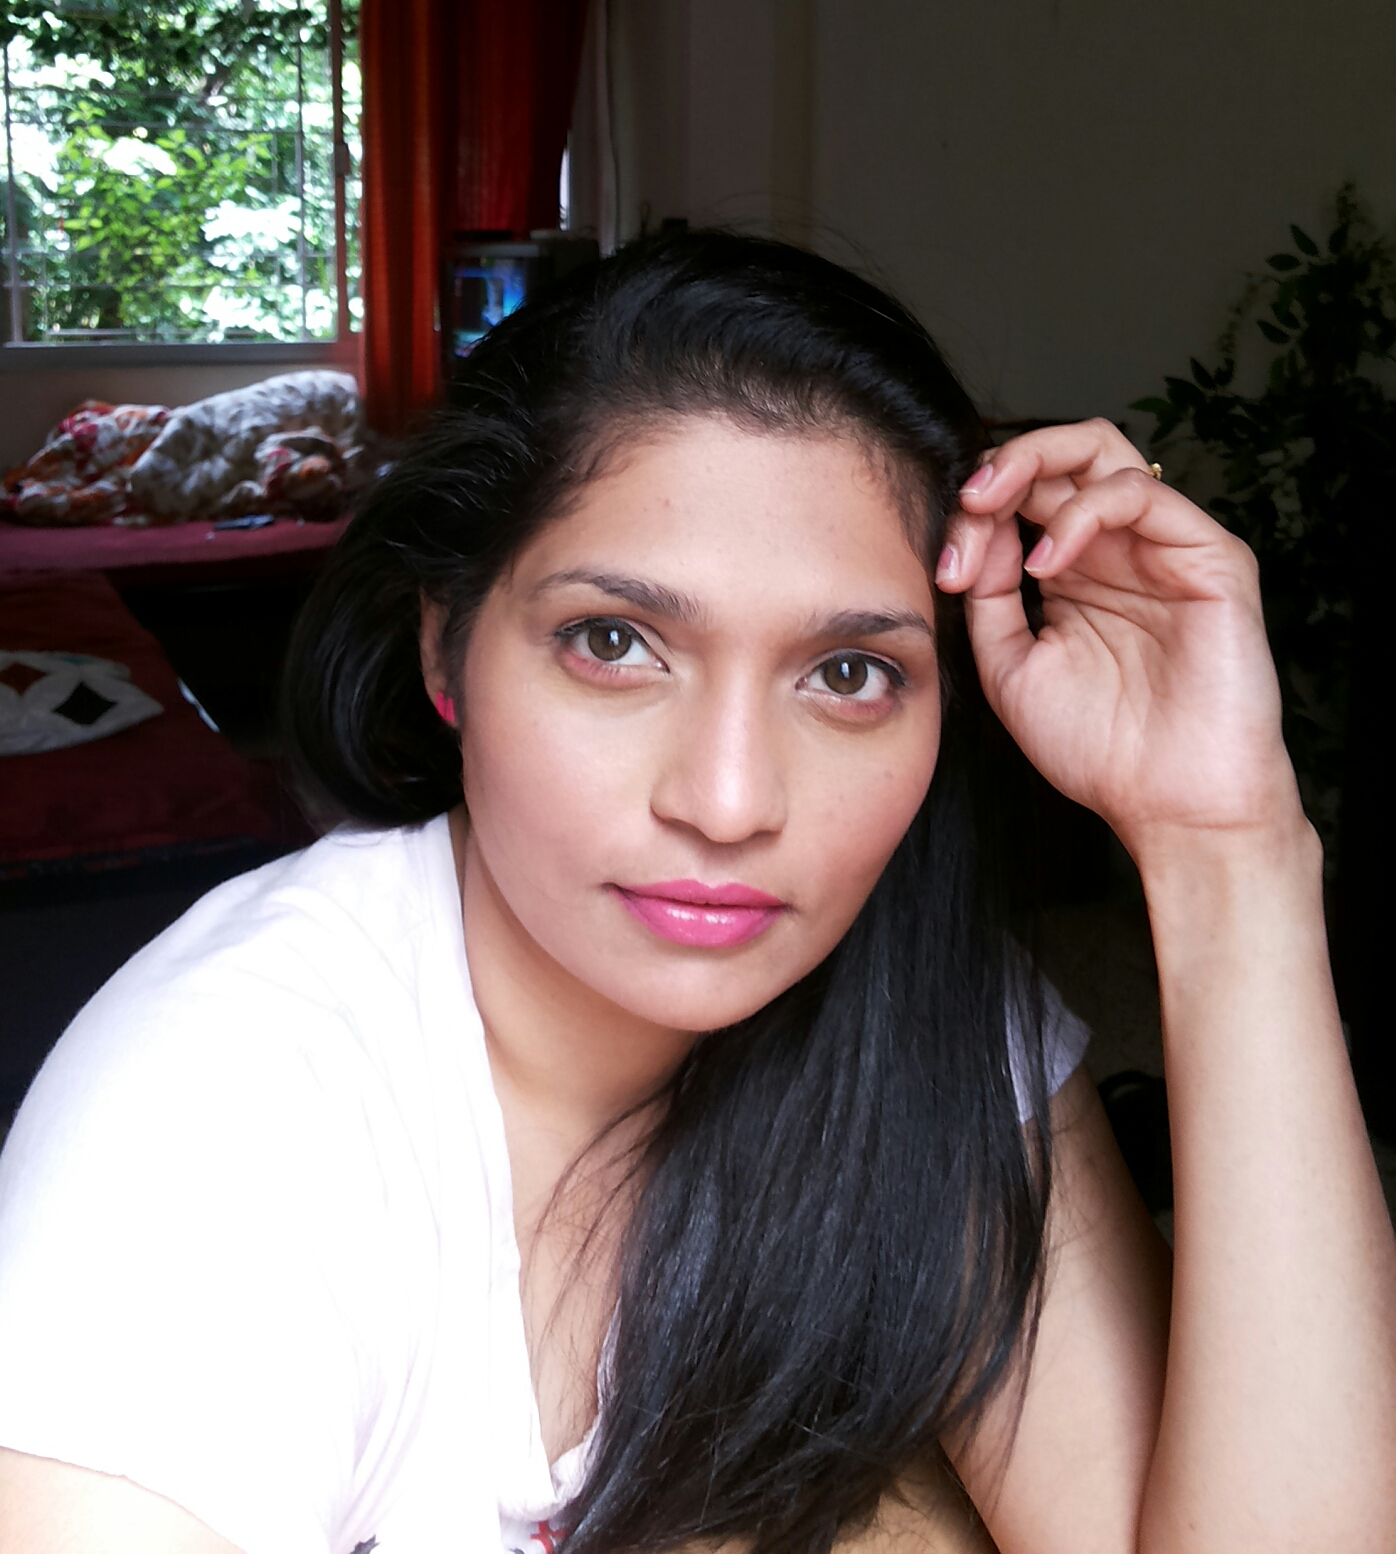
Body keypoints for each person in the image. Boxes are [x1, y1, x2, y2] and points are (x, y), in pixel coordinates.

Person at [0, 232, 1392, 1554]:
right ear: (447, 650)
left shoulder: (935, 1032)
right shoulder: (219, 1111)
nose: (728, 802)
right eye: (614, 643)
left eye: (848, 673)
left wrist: (1230, 849)